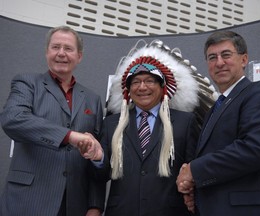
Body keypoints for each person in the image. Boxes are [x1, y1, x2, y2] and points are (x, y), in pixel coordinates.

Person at [176, 30, 260, 216]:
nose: (219, 63)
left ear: (244, 60)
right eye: (212, 57)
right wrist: (193, 186)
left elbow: (256, 149)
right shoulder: (214, 109)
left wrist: (194, 171)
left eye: (226, 55)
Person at [0, 26, 105, 216]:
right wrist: (69, 136)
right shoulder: (27, 83)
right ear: (47, 51)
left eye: (68, 48)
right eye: (56, 47)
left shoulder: (92, 99)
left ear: (79, 56)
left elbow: (94, 153)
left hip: (74, 205)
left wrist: (95, 206)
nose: (61, 53)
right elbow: (13, 119)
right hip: (28, 200)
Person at [98, 39, 209, 216]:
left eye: (150, 81)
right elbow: (99, 175)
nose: (142, 87)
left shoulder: (184, 122)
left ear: (162, 87)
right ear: (128, 90)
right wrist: (97, 158)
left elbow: (192, 170)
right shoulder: (111, 124)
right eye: (135, 82)